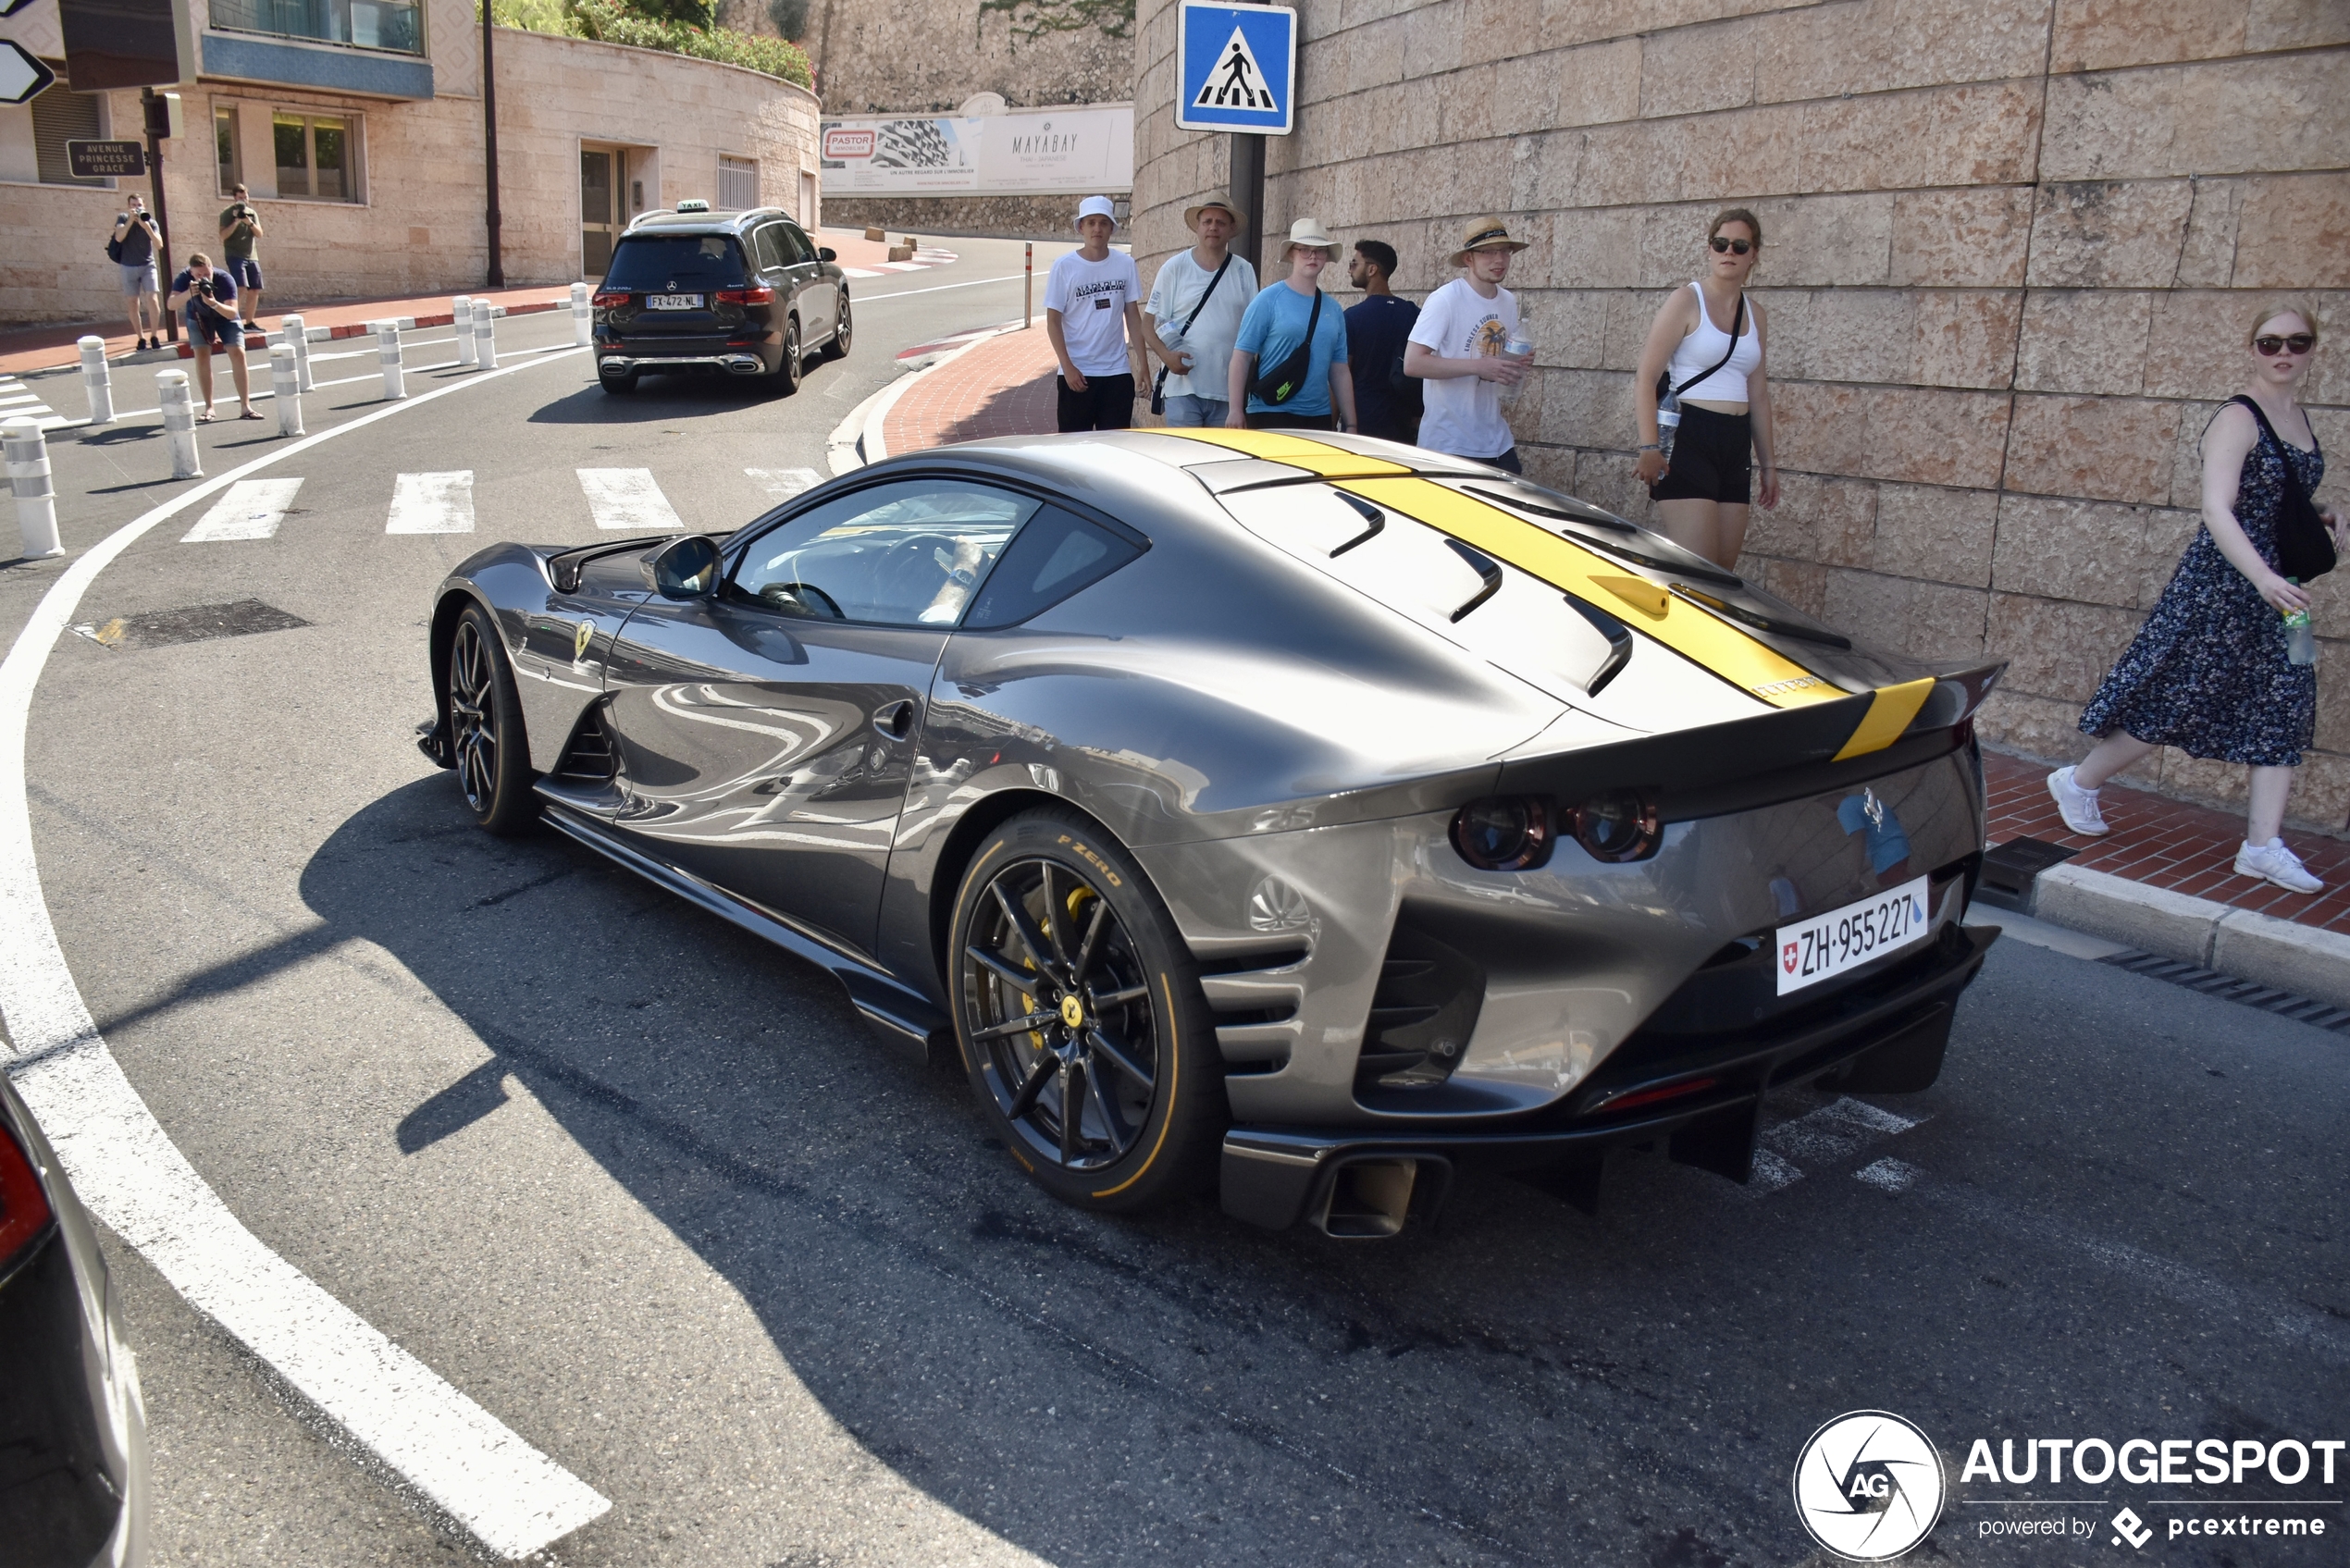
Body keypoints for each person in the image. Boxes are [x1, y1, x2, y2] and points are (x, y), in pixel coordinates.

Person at [2052, 303, 2344, 895]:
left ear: (2314, 348)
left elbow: (2274, 494)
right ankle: (2078, 782)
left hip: (2282, 592)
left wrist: (2321, 512)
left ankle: (2262, 847)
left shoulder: (2299, 417)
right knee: (2176, 698)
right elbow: (2217, 508)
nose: (2283, 353)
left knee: (2288, 702)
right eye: (2269, 343)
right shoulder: (2238, 418)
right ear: (2251, 348)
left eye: (2296, 341)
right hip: (2224, 585)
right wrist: (2261, 577)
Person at [1632, 208, 1779, 568]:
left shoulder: (1755, 314)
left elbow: (1757, 392)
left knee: (1722, 576)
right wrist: (1649, 446)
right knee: (1698, 573)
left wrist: (1769, 465)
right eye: (1721, 243)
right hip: (1689, 436)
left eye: (1740, 246)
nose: (1729, 252)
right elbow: (1646, 376)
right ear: (1710, 249)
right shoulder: (1686, 300)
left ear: (1753, 255)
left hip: (1735, 442)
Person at [1403, 216, 1532, 470]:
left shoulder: (1507, 300)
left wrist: (1516, 360)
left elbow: (1495, 356)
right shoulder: (1445, 299)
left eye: (1505, 251)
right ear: (1468, 258)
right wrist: (1478, 367)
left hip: (1496, 439)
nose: (1499, 260)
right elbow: (1413, 363)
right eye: (1488, 252)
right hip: (1449, 445)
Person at [1226, 218, 1356, 434]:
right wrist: (1235, 410)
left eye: (1319, 250)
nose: (1313, 256)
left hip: (1318, 416)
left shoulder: (1333, 310)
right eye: (1304, 250)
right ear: (1291, 254)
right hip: (1270, 411)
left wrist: (1351, 423)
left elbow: (1339, 369)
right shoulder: (1268, 299)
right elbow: (1242, 356)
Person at [1144, 195, 1256, 429]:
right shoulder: (1174, 268)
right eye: (1207, 221)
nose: (1213, 227)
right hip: (1183, 387)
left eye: (1220, 222)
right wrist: (1166, 357)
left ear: (1231, 229)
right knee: (1183, 459)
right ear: (1198, 226)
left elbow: (1253, 328)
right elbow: (1147, 324)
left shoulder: (1244, 271)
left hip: (1228, 393)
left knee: (1219, 464)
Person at [1044, 195, 1147, 433]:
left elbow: (1133, 316)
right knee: (1072, 450)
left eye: (1103, 222)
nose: (1097, 229)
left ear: (1112, 228)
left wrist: (1143, 365)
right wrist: (1067, 366)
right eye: (1091, 223)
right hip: (1077, 374)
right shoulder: (1064, 266)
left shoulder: (1125, 264)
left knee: (1115, 449)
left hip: (1117, 373)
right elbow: (1053, 321)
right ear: (1081, 227)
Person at [1343, 238, 1420, 445]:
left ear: (1372, 270)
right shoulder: (1414, 314)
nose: (1349, 270)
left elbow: (1342, 374)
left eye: (1354, 264)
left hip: (1362, 425)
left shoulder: (1351, 317)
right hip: (1403, 426)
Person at [167, 253, 258, 421]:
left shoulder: (224, 278)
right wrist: (188, 293)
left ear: (212, 269)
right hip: (198, 317)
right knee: (201, 356)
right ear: (192, 273)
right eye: (199, 275)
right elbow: (171, 305)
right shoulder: (184, 277)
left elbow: (232, 312)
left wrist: (214, 303)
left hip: (223, 315)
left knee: (238, 353)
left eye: (207, 274)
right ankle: (209, 407)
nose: (203, 279)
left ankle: (246, 406)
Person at [110, 194, 163, 352]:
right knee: (133, 302)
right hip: (128, 266)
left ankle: (154, 336)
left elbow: (159, 244)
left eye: (139, 205)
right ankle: (140, 338)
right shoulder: (123, 218)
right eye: (133, 205)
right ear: (129, 206)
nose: (136, 208)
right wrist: (130, 222)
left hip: (148, 265)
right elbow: (119, 238)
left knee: (152, 298)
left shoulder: (150, 221)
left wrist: (146, 226)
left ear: (144, 205)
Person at [217, 184, 266, 329]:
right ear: (234, 199)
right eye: (240, 198)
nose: (244, 200)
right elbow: (223, 236)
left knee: (255, 289)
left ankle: (249, 322)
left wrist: (249, 222)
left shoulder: (252, 213)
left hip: (252, 256)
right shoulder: (227, 213)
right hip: (235, 255)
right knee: (241, 287)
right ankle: (230, 318)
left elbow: (259, 234)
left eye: (245, 197)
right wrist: (236, 221)